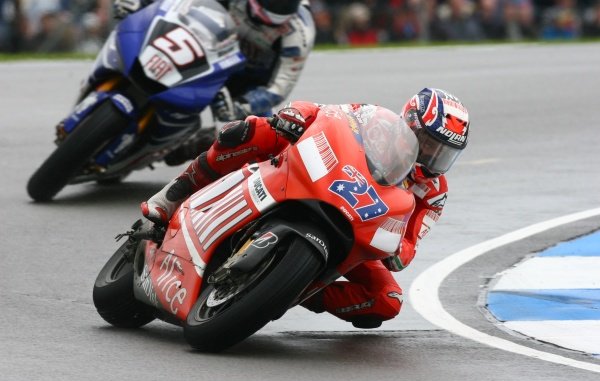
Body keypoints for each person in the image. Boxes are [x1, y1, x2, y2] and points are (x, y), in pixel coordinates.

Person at [141, 88, 470, 328]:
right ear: (409, 124)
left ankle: (298, 291)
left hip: (359, 231)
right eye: (428, 143)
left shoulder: (434, 190)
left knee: (388, 301)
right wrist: (297, 114)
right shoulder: (375, 121)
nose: (432, 156)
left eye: (443, 152)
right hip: (320, 178)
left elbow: (414, 236)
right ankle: (175, 193)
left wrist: (401, 252)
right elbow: (327, 113)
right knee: (251, 131)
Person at [112, 0, 316, 164]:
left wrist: (244, 105)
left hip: (246, 82)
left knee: (266, 143)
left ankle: (199, 145)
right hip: (202, 51)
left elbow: (280, 85)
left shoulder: (300, 33)